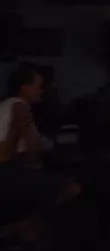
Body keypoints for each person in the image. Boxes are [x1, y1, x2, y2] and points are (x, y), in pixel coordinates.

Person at [0, 64, 77, 229]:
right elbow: (28, 146)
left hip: (8, 166)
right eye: (39, 86)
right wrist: (34, 165)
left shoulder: (10, 105)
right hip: (5, 169)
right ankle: (25, 225)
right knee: (70, 188)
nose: (42, 91)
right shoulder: (19, 106)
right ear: (25, 88)